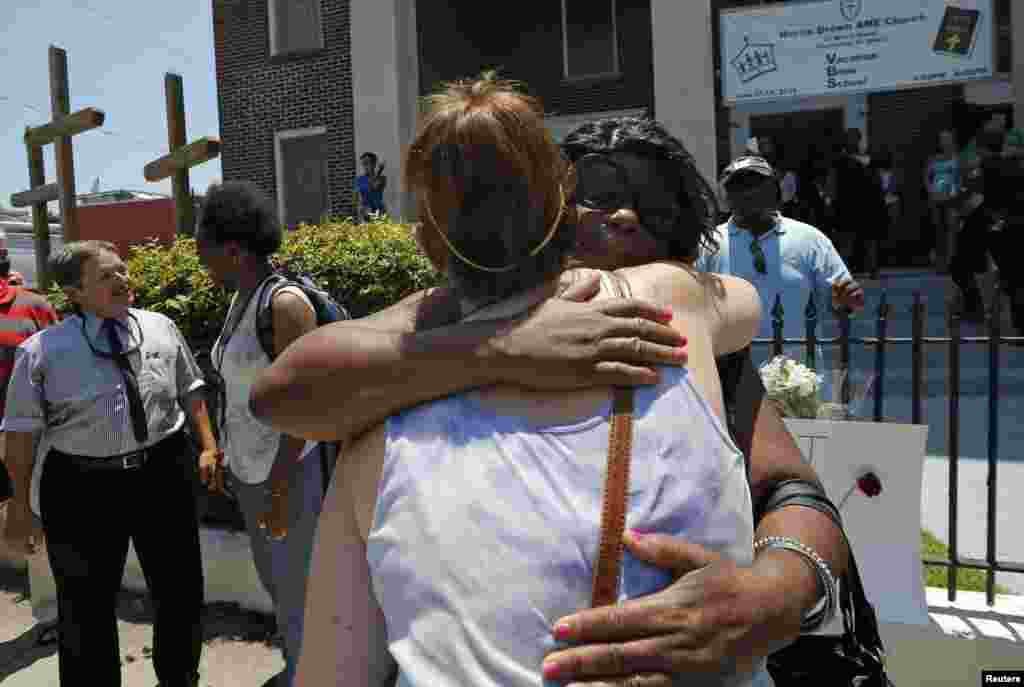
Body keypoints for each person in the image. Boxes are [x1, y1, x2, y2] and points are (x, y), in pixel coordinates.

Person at [254, 77, 847, 687]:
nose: (624, 216)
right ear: (559, 207)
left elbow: (793, 491)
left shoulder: (678, 328)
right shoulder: (674, 309)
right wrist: (501, 347)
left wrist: (777, 590)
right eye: (603, 195)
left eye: (654, 204)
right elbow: (287, 387)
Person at [1, 240, 220, 687]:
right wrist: (19, 506)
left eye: (122, 270)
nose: (122, 280)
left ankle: (180, 678)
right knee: (85, 606)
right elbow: (21, 433)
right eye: (107, 276)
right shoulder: (42, 352)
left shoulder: (160, 326)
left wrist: (207, 444)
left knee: (180, 591)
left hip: (162, 472)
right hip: (81, 486)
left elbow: (190, 388)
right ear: (75, 292)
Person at [195, 181, 326, 687]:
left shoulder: (285, 304)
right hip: (254, 471)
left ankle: (312, 676)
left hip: (290, 473)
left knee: (301, 589)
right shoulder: (240, 301)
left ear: (232, 249)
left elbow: (308, 404)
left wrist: (277, 483)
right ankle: (301, 669)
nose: (202, 263)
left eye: (204, 251)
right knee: (279, 584)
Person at [701, 155, 865, 401]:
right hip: (731, 379)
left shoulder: (809, 239)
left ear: (774, 191)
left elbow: (840, 300)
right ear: (727, 196)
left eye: (757, 184)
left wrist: (846, 300)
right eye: (739, 186)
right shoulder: (710, 243)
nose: (749, 192)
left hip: (799, 380)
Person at [0, 251, 60, 645]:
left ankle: (53, 614)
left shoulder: (33, 305)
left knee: (35, 517)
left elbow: (61, 362)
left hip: (26, 434)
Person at [829, 128, 887, 278]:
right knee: (847, 240)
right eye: (849, 138)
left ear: (859, 140)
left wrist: (881, 198)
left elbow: (878, 179)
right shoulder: (840, 160)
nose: (853, 141)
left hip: (869, 204)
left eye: (855, 138)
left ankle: (873, 270)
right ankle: (843, 273)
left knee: (871, 239)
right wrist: (832, 201)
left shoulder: (870, 159)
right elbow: (833, 182)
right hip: (847, 205)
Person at [925, 129, 962, 272]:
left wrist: (957, 192)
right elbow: (927, 177)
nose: (944, 142)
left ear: (952, 140)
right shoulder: (933, 159)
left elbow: (961, 178)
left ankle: (951, 263)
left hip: (952, 199)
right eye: (942, 139)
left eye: (947, 139)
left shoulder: (958, 158)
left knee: (951, 231)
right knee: (938, 232)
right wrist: (930, 191)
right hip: (936, 199)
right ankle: (940, 264)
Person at [354, 151, 387, 221]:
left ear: (374, 164)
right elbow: (356, 197)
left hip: (378, 211)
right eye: (363, 164)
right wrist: (360, 208)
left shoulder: (382, 178)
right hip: (365, 211)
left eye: (367, 163)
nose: (365, 166)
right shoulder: (359, 180)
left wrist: (379, 171)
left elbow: (372, 187)